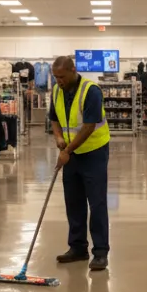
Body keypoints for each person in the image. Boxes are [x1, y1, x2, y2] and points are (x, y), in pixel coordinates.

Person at [50, 56, 110, 271]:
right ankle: (77, 248)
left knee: (97, 202)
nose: (59, 81)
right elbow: (54, 118)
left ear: (73, 70)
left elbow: (88, 126)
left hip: (94, 152)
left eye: (62, 77)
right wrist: (58, 138)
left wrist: (67, 150)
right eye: (56, 77)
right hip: (72, 154)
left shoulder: (90, 90)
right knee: (73, 201)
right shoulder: (56, 90)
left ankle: (100, 252)